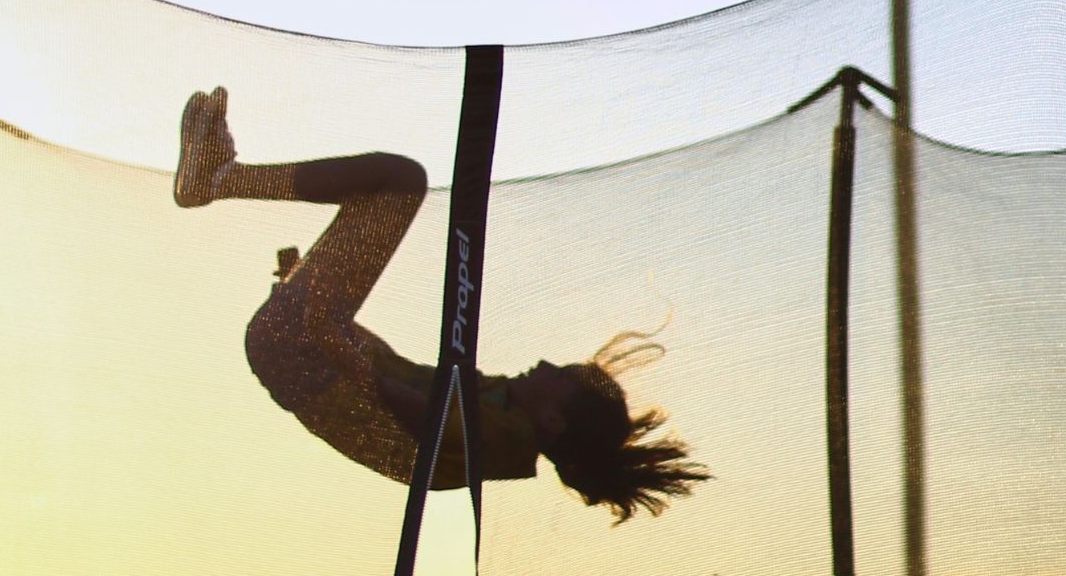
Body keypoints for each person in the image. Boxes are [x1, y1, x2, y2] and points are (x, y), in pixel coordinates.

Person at [174, 87, 709, 523]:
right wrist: (318, 301)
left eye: (559, 374)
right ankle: (221, 178)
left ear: (553, 418)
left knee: (400, 180)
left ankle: (220, 179)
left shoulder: (502, 439)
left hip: (311, 361)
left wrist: (332, 338)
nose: (544, 363)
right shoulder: (503, 411)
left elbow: (408, 409)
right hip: (311, 358)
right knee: (389, 187)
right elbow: (400, 381)